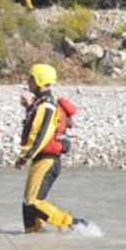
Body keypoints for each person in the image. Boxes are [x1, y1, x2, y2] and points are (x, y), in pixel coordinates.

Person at [15, 63, 87, 233]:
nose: (28, 81)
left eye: (30, 78)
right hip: (43, 160)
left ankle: (73, 224)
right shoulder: (41, 103)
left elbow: (40, 135)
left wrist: (23, 157)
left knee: (32, 201)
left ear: (38, 80)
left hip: (47, 161)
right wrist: (28, 108)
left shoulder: (46, 106)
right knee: (29, 202)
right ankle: (34, 236)